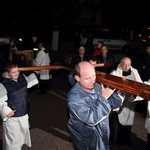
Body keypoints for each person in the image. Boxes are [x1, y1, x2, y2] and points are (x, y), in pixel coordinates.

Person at [67, 61, 125, 150]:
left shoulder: (97, 86)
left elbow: (115, 104)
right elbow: (92, 119)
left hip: (102, 135)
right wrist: (104, 98)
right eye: (87, 78)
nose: (93, 81)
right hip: (87, 141)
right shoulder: (74, 98)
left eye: (94, 76)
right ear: (77, 78)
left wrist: (118, 90)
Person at [0, 62, 39, 150]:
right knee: (13, 140)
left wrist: (36, 72)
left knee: (21, 136)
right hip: (12, 118)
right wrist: (6, 111)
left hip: (23, 114)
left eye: (17, 71)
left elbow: (30, 80)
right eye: (13, 72)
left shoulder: (22, 78)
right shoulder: (3, 84)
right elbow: (0, 100)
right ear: (7, 73)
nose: (16, 73)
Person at [110, 56, 143, 146]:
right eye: (124, 64)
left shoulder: (134, 72)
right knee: (117, 122)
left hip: (130, 101)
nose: (126, 67)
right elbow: (110, 87)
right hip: (120, 102)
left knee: (129, 120)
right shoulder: (115, 72)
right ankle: (116, 140)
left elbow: (140, 84)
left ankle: (127, 139)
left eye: (129, 65)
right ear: (121, 63)